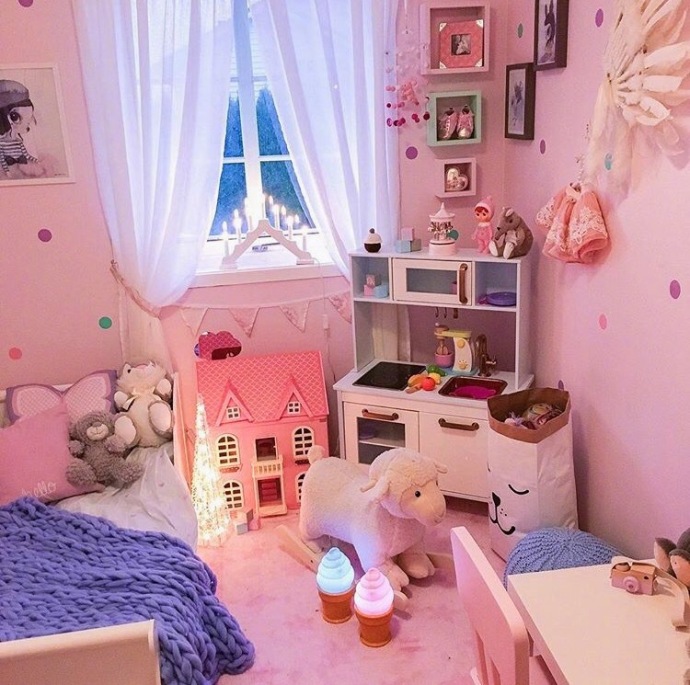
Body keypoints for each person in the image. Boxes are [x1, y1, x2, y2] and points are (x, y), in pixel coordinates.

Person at [0, 79, 41, 176]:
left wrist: (36, 161)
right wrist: (7, 171)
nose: (28, 124)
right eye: (15, 117)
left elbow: (27, 155)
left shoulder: (19, 142)